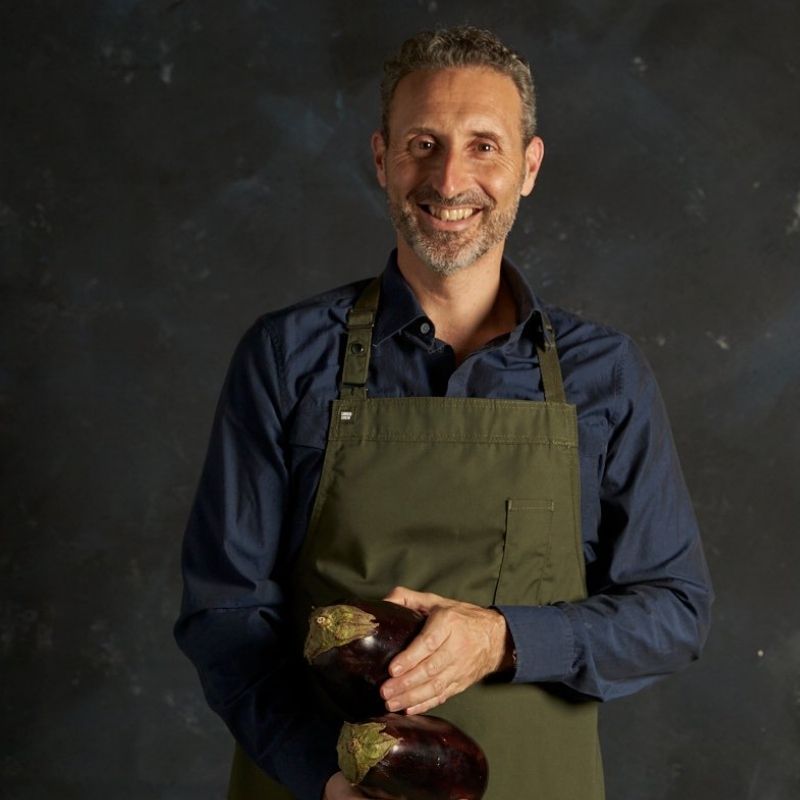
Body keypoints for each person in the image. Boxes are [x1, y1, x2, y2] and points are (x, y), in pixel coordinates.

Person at [174, 26, 712, 800]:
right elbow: (224, 611)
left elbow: (674, 611)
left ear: (528, 167)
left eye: (484, 145)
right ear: (382, 160)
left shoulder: (606, 376)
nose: (450, 177)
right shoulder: (284, 355)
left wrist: (502, 638)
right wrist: (322, 774)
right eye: (423, 143)